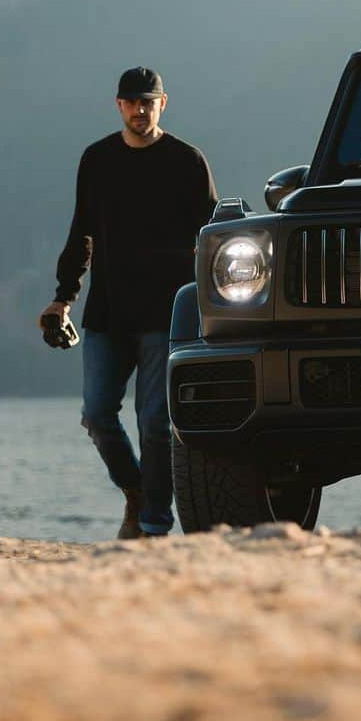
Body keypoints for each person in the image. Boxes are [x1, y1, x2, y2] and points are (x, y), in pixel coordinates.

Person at [39, 67, 217, 538]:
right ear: (118, 105)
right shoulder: (97, 160)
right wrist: (63, 298)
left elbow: (211, 238)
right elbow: (82, 232)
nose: (140, 110)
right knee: (97, 414)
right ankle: (136, 492)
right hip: (107, 312)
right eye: (132, 102)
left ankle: (154, 527)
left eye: (149, 101)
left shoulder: (187, 161)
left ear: (163, 103)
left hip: (166, 313)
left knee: (155, 423)